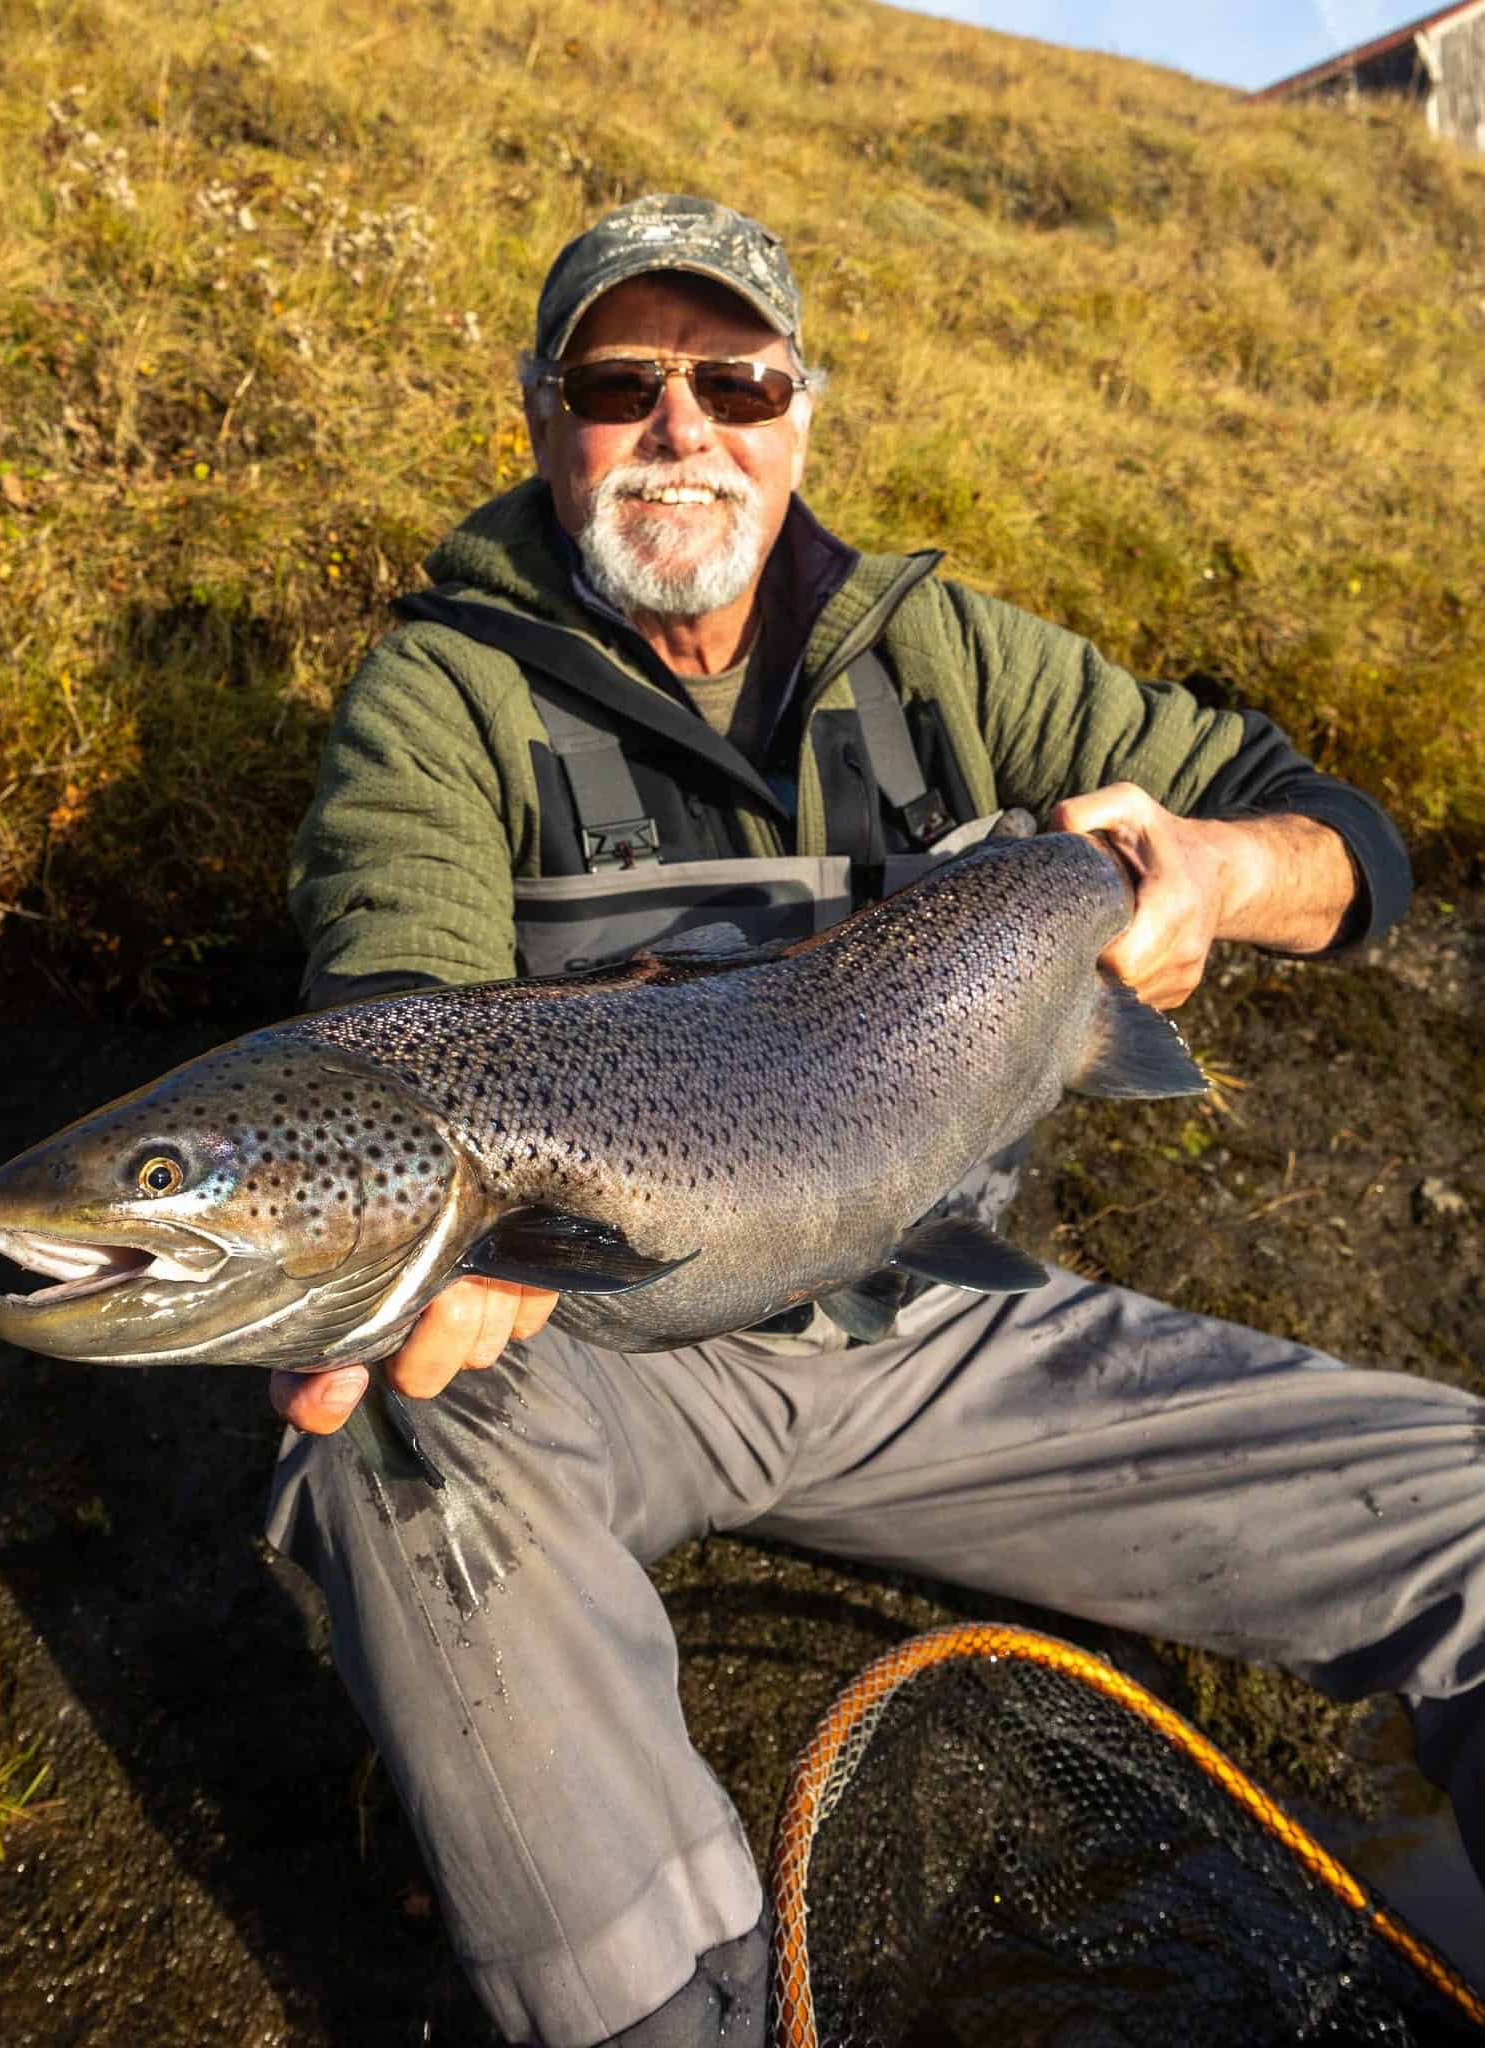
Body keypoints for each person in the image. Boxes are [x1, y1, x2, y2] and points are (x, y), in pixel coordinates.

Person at [264, 195, 1481, 2048]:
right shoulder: (440, 697)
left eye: (736, 378)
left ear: (797, 415)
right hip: (614, 1356)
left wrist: (1214, 869)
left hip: (951, 1326)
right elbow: (389, 1007)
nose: (684, 426)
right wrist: (419, 1235)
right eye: (622, 381)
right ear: (541, 415)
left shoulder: (946, 654)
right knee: (392, 1438)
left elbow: (1347, 845)